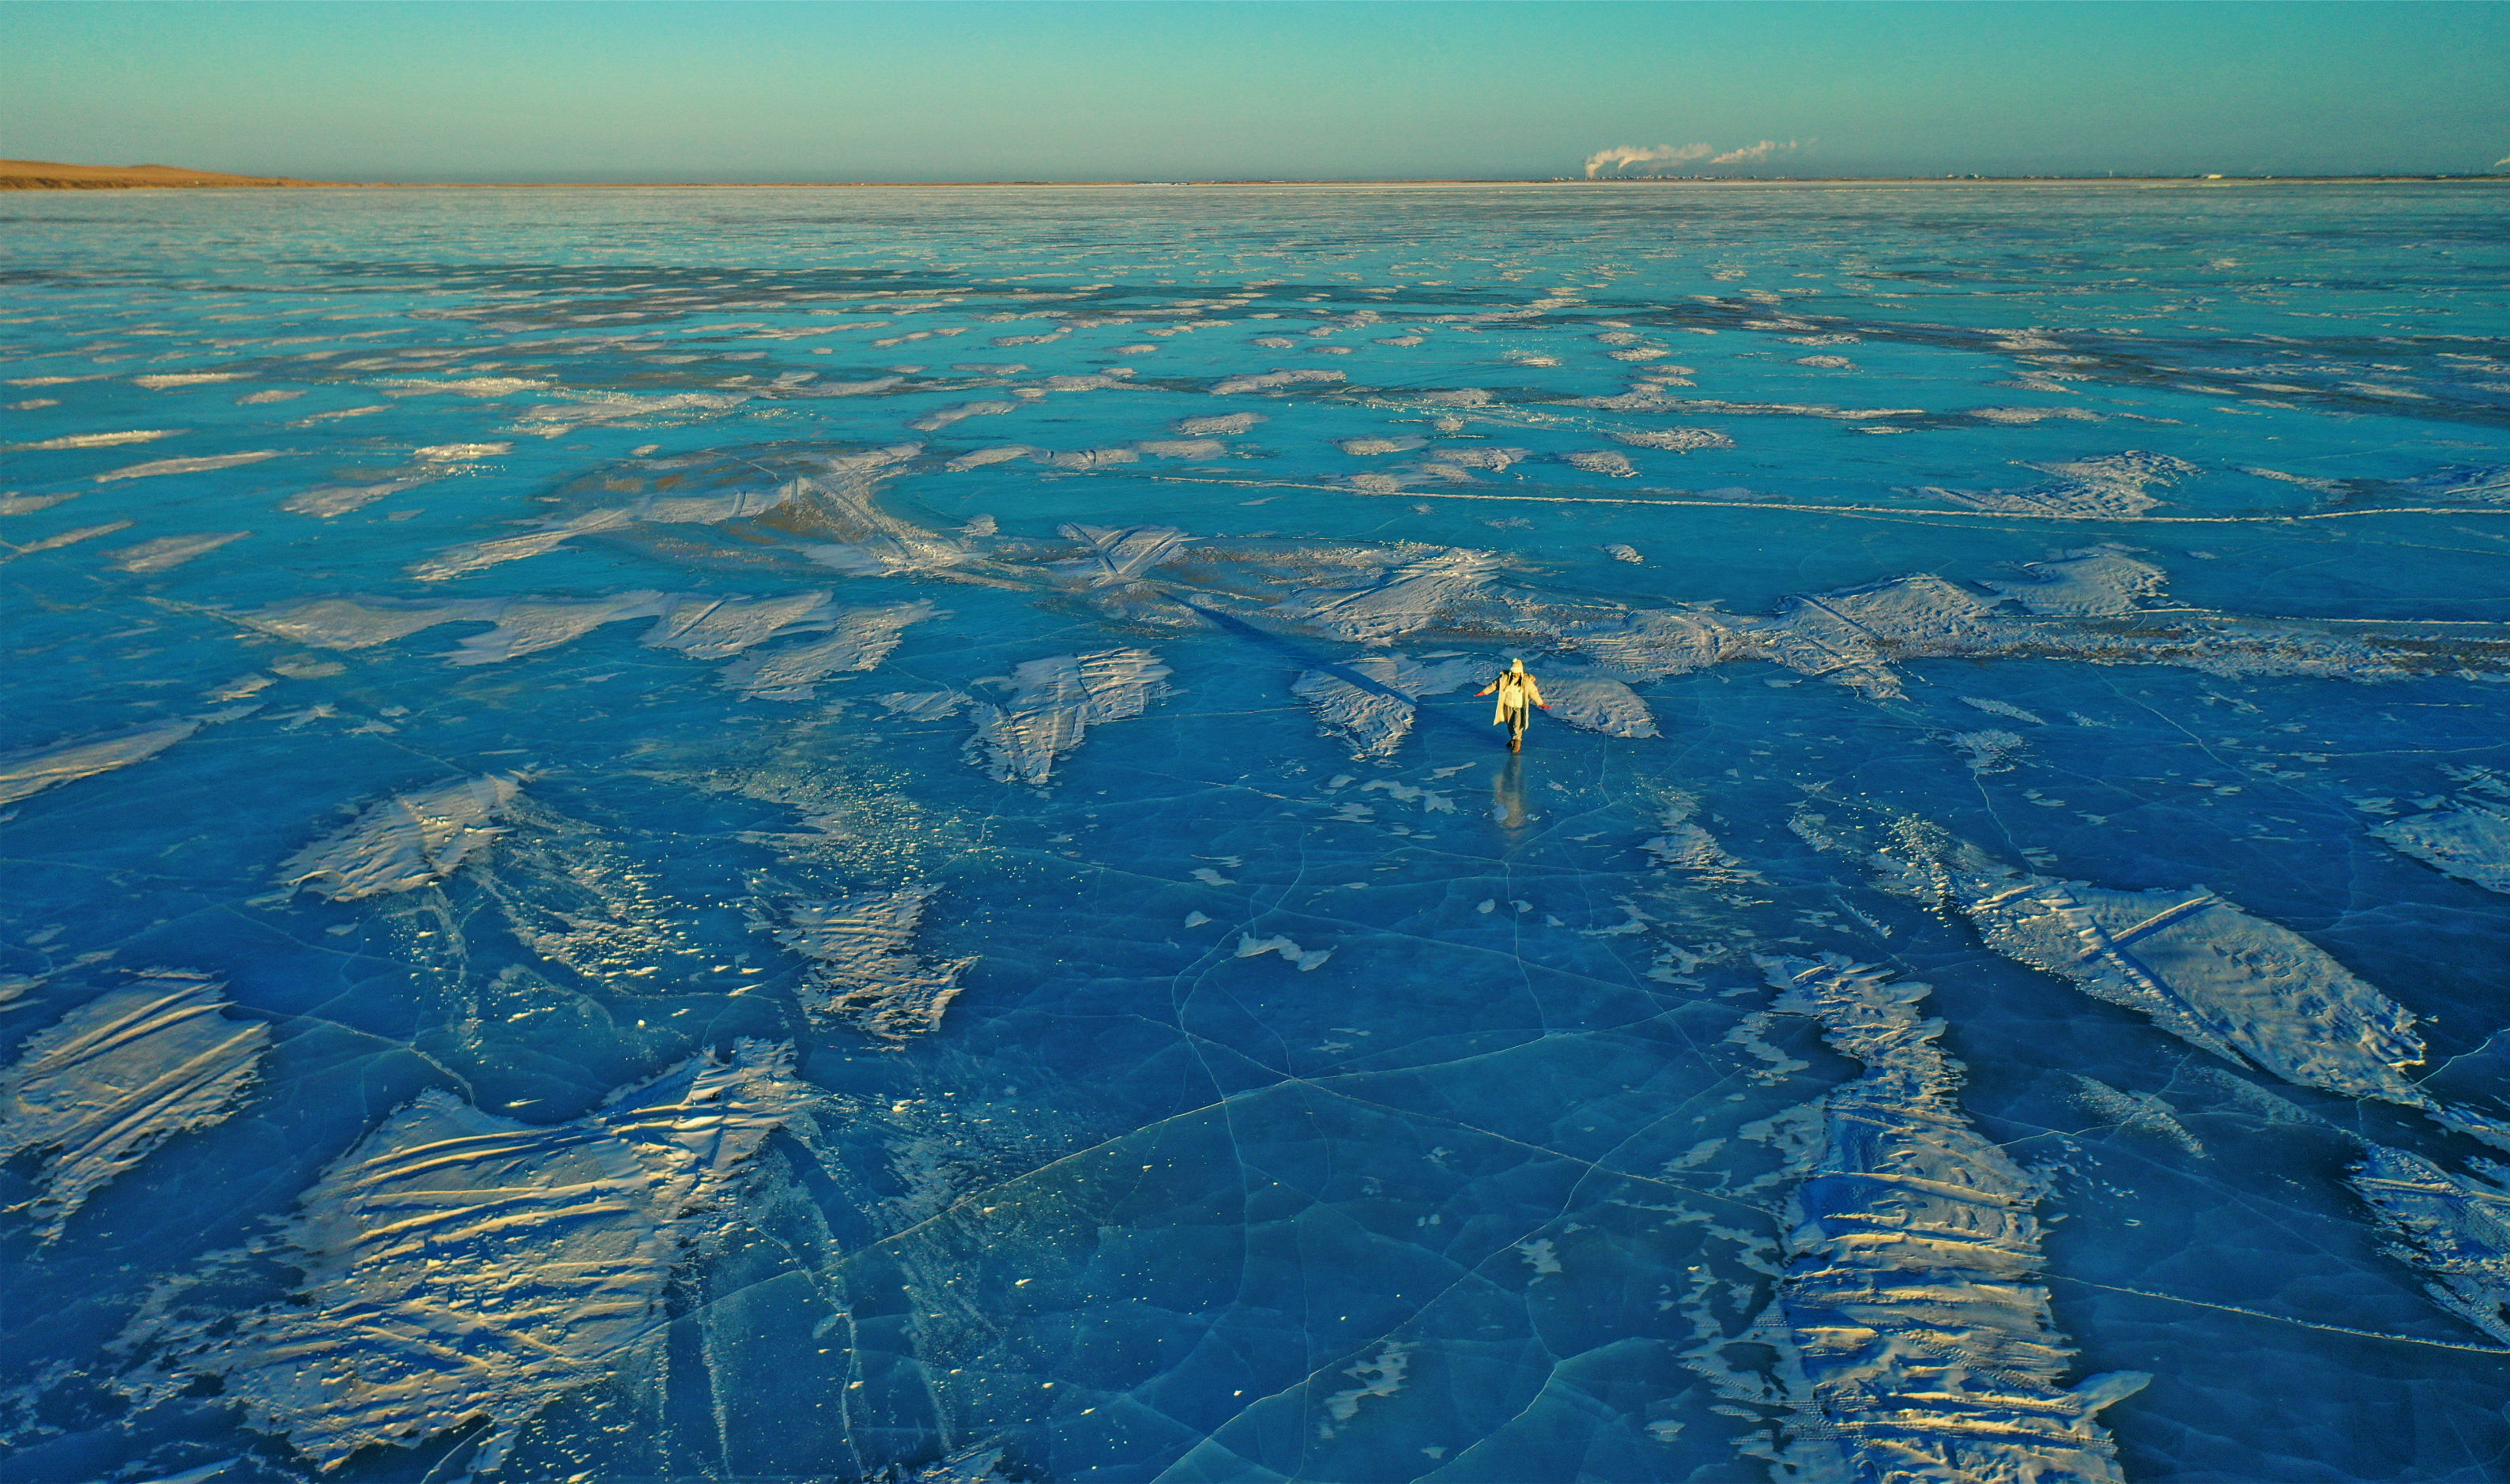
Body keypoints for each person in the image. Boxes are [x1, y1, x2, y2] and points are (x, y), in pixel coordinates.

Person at [1476, 657, 1550, 752]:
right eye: (1514, 673)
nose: (1515, 675)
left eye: (1517, 673)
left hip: (1520, 707)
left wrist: (1541, 703)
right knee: (1510, 725)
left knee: (1518, 724)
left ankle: (1517, 742)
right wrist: (1484, 692)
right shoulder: (1505, 679)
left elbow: (1534, 692)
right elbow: (1494, 685)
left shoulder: (1526, 681)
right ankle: (1513, 739)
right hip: (1508, 705)